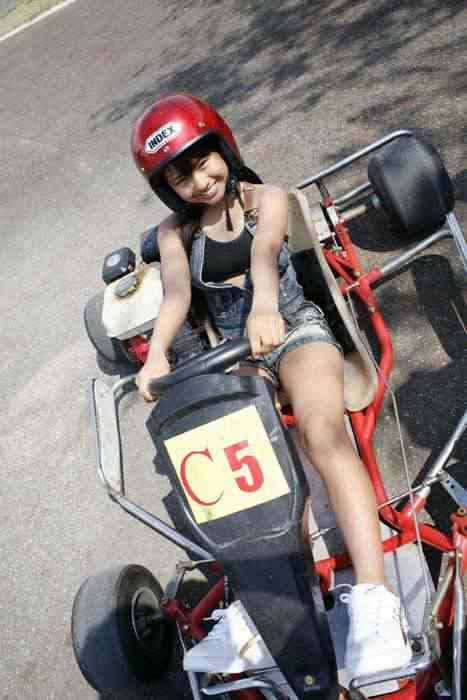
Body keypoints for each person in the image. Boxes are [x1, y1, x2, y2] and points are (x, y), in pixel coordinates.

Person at [131, 94, 412, 679]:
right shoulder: (174, 232)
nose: (198, 182)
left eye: (202, 162)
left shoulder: (269, 199)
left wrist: (265, 307)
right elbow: (178, 296)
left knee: (321, 437)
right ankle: (267, 611)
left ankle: (374, 600)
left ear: (223, 148)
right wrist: (155, 354)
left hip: (294, 328)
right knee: (252, 478)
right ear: (166, 188)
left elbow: (263, 257)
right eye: (180, 178)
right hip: (237, 351)